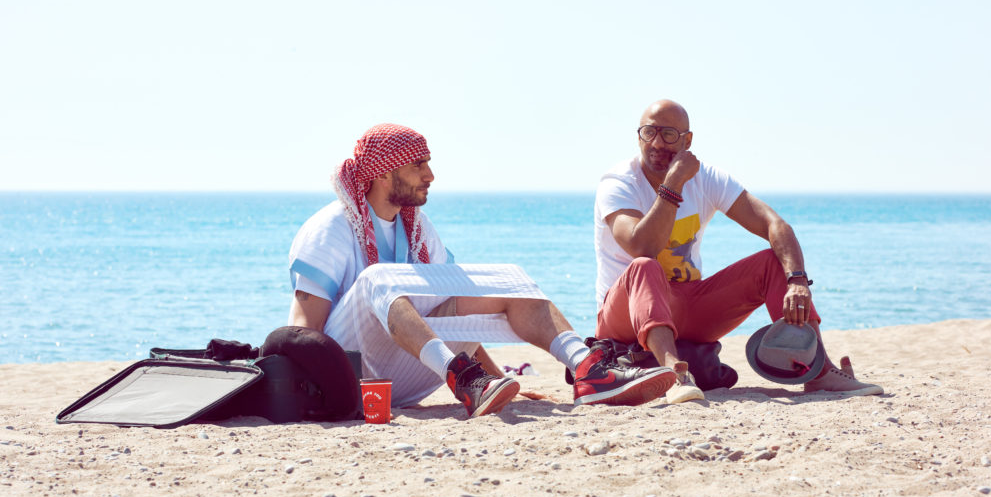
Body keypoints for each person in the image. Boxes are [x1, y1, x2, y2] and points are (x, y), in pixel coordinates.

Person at [288, 123, 675, 418]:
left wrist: (501, 383)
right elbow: (303, 334)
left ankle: (588, 370)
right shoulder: (331, 228)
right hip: (350, 378)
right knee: (377, 277)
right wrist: (325, 401)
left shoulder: (419, 229)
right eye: (419, 165)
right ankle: (463, 376)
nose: (430, 175)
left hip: (404, 380)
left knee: (510, 279)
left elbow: (459, 309)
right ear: (383, 173)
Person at [593, 99, 883, 401]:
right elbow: (643, 246)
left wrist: (797, 281)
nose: (656, 142)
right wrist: (674, 182)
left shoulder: (707, 178)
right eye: (648, 132)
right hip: (625, 313)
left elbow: (774, 224)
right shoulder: (618, 182)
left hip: (687, 305)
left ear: (687, 140)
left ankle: (819, 372)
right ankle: (675, 375)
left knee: (774, 262)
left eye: (668, 134)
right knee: (644, 266)